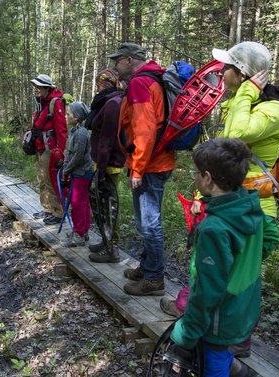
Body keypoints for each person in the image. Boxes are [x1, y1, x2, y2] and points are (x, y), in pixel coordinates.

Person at [160, 41, 279, 358]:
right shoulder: (240, 103)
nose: (221, 71)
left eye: (227, 66)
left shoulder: (275, 109)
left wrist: (244, 94)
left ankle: (233, 338)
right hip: (226, 204)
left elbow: (235, 140)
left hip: (253, 209)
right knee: (211, 271)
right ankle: (203, 323)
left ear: (241, 73)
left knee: (238, 280)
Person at [169, 138, 263, 377]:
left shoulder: (214, 229)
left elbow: (207, 293)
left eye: (196, 172)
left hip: (220, 318)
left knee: (214, 361)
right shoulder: (248, 206)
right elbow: (269, 238)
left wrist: (186, 334)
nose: (195, 176)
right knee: (222, 354)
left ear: (207, 178)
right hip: (243, 306)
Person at [108, 42, 176, 296]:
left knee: (148, 224)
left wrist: (137, 169)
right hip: (158, 160)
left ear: (128, 60)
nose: (115, 67)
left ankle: (154, 278)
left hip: (150, 164)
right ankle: (147, 267)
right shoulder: (154, 77)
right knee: (148, 221)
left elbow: (144, 130)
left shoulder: (140, 83)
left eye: (117, 61)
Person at [86, 68, 126, 263]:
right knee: (101, 203)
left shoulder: (113, 103)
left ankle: (112, 249)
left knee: (110, 206)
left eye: (99, 83)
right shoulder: (109, 101)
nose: (97, 86)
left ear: (105, 83)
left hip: (109, 163)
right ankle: (105, 239)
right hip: (103, 162)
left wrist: (101, 166)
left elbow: (107, 139)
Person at [30, 74, 68, 226]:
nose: (36, 89)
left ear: (47, 88)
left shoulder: (55, 103)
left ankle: (58, 212)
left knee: (51, 181)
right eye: (36, 87)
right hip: (39, 148)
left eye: (39, 87)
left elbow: (62, 130)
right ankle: (47, 209)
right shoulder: (42, 103)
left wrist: (61, 153)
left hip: (50, 150)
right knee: (42, 181)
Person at [61, 101, 93, 247]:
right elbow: (71, 152)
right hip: (80, 172)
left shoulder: (81, 133)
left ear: (77, 117)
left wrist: (66, 169)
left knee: (77, 203)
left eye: (69, 114)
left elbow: (79, 156)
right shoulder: (75, 130)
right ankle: (83, 231)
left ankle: (79, 235)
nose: (66, 116)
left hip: (82, 172)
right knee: (83, 202)